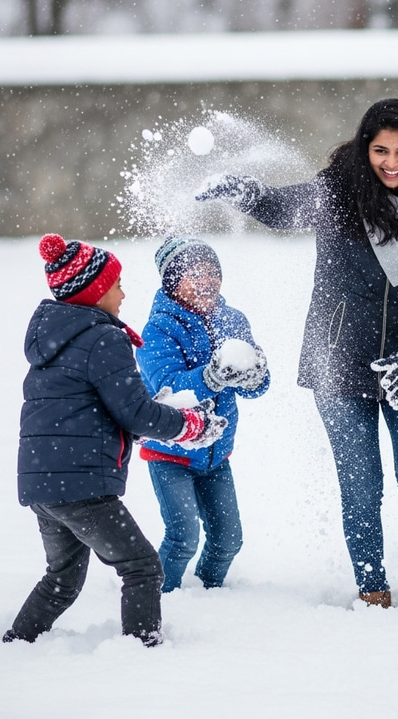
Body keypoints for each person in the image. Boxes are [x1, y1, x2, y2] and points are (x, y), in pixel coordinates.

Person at [196, 98, 398, 610]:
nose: (391, 162)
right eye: (381, 150)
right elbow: (280, 208)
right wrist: (244, 192)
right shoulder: (338, 195)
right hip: (339, 366)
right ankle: (372, 593)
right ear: (365, 148)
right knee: (362, 488)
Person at [5, 234, 226, 647]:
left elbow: (104, 412)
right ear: (95, 291)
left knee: (62, 579)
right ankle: (141, 652)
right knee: (143, 568)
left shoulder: (53, 340)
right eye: (117, 284)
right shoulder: (103, 338)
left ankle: (16, 643)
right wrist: (188, 425)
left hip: (43, 483)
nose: (124, 294)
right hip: (83, 486)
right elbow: (134, 412)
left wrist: (156, 415)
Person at [136, 236, 270, 593]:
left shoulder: (233, 320)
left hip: (216, 455)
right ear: (172, 282)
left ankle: (208, 595)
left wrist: (256, 375)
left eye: (213, 272)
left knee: (229, 540)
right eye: (194, 273)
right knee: (182, 539)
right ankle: (156, 598)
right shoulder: (158, 330)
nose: (207, 280)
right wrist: (211, 376)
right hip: (171, 453)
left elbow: (255, 386)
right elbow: (169, 389)